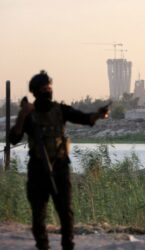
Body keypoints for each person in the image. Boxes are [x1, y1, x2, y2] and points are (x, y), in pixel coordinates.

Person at [10, 70, 109, 250]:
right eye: (45, 88)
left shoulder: (60, 110)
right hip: (38, 169)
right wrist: (22, 115)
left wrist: (98, 115)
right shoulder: (29, 114)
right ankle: (43, 246)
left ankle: (67, 246)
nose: (48, 90)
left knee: (66, 212)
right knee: (38, 214)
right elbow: (14, 138)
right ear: (37, 91)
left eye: (49, 87)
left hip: (60, 167)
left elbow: (83, 118)